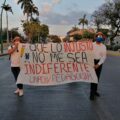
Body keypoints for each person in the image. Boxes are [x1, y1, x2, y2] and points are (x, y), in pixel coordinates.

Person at [90, 32, 107, 100]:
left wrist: (98, 64)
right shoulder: (91, 45)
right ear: (95, 37)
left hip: (99, 63)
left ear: (102, 38)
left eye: (101, 36)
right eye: (98, 36)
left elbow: (103, 57)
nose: (99, 38)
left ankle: (95, 91)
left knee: (97, 78)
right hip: (91, 62)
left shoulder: (103, 47)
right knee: (92, 78)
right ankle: (92, 93)